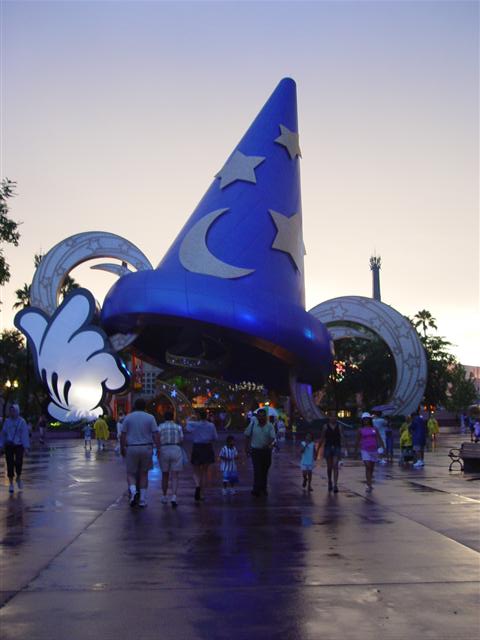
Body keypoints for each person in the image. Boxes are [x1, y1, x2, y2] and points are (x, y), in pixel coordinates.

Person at [120, 398, 160, 508]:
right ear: (144, 406)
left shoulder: (128, 417)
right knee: (144, 474)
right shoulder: (150, 417)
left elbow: (123, 434)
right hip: (146, 447)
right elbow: (156, 433)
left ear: (134, 406)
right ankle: (142, 499)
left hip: (132, 448)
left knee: (130, 473)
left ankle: (133, 492)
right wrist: (159, 448)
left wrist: (122, 447)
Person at [186, 408, 218, 502]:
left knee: (196, 471)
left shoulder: (194, 424)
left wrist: (190, 418)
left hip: (197, 447)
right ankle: (202, 493)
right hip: (207, 447)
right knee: (204, 472)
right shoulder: (211, 425)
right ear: (206, 416)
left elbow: (187, 427)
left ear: (198, 416)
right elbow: (215, 437)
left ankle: (197, 486)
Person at [244, 408, 276, 497]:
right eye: (259, 416)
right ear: (257, 417)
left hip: (266, 451)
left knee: (264, 470)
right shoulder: (253, 424)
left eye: (263, 416)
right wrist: (246, 448)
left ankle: (263, 488)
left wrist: (269, 444)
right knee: (257, 470)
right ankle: (256, 488)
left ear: (266, 417)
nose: (261, 418)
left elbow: (272, 437)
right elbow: (247, 435)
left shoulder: (270, 426)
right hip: (256, 451)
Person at [0, 404, 30, 493]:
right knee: (9, 463)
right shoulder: (7, 422)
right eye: (10, 411)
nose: (12, 413)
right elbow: (3, 434)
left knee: (18, 462)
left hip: (19, 445)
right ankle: (11, 484)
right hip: (9, 445)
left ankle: (19, 477)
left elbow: (24, 435)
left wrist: (26, 447)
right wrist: (1, 445)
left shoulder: (22, 422)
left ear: (17, 411)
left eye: (13, 411)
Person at [157, 410, 184, 508]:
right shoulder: (178, 427)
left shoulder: (160, 427)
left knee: (165, 474)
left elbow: (157, 438)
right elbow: (181, 439)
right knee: (175, 475)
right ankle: (174, 496)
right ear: (173, 417)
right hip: (176, 449)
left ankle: (164, 496)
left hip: (164, 449)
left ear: (164, 417)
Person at [354, 412, 385, 493]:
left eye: (367, 419)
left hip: (374, 450)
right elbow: (357, 440)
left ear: (370, 420)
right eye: (364, 420)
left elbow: (379, 438)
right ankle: (368, 484)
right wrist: (355, 451)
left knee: (371, 467)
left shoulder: (374, 429)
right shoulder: (360, 430)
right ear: (362, 421)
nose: (366, 421)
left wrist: (382, 447)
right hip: (364, 450)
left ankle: (370, 482)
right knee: (367, 466)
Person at [318, 411, 346, 493]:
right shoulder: (325, 427)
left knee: (335, 465)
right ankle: (330, 480)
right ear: (329, 418)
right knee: (329, 467)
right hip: (328, 447)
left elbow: (342, 436)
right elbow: (322, 438)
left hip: (337, 447)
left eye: (335, 416)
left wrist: (344, 447)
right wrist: (318, 450)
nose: (333, 418)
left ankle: (335, 484)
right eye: (332, 416)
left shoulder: (339, 427)